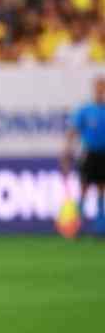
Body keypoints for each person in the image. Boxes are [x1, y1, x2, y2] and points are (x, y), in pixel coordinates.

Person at [63, 75, 105, 236]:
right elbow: (73, 131)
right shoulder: (86, 110)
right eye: (99, 87)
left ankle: (101, 228)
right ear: (94, 89)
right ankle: (75, 227)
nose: (101, 90)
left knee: (102, 190)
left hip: (104, 154)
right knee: (84, 189)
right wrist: (67, 151)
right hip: (90, 154)